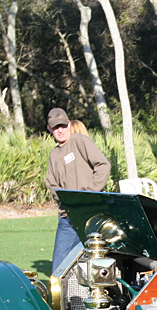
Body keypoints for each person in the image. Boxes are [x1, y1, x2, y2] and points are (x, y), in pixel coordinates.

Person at [44, 107, 110, 273]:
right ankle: (62, 299)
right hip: (67, 218)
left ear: (68, 124)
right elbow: (51, 183)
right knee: (59, 269)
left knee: (91, 267)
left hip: (90, 215)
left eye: (63, 126)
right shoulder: (54, 155)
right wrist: (66, 200)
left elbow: (103, 166)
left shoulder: (79, 141)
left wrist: (89, 194)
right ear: (49, 129)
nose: (60, 130)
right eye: (55, 127)